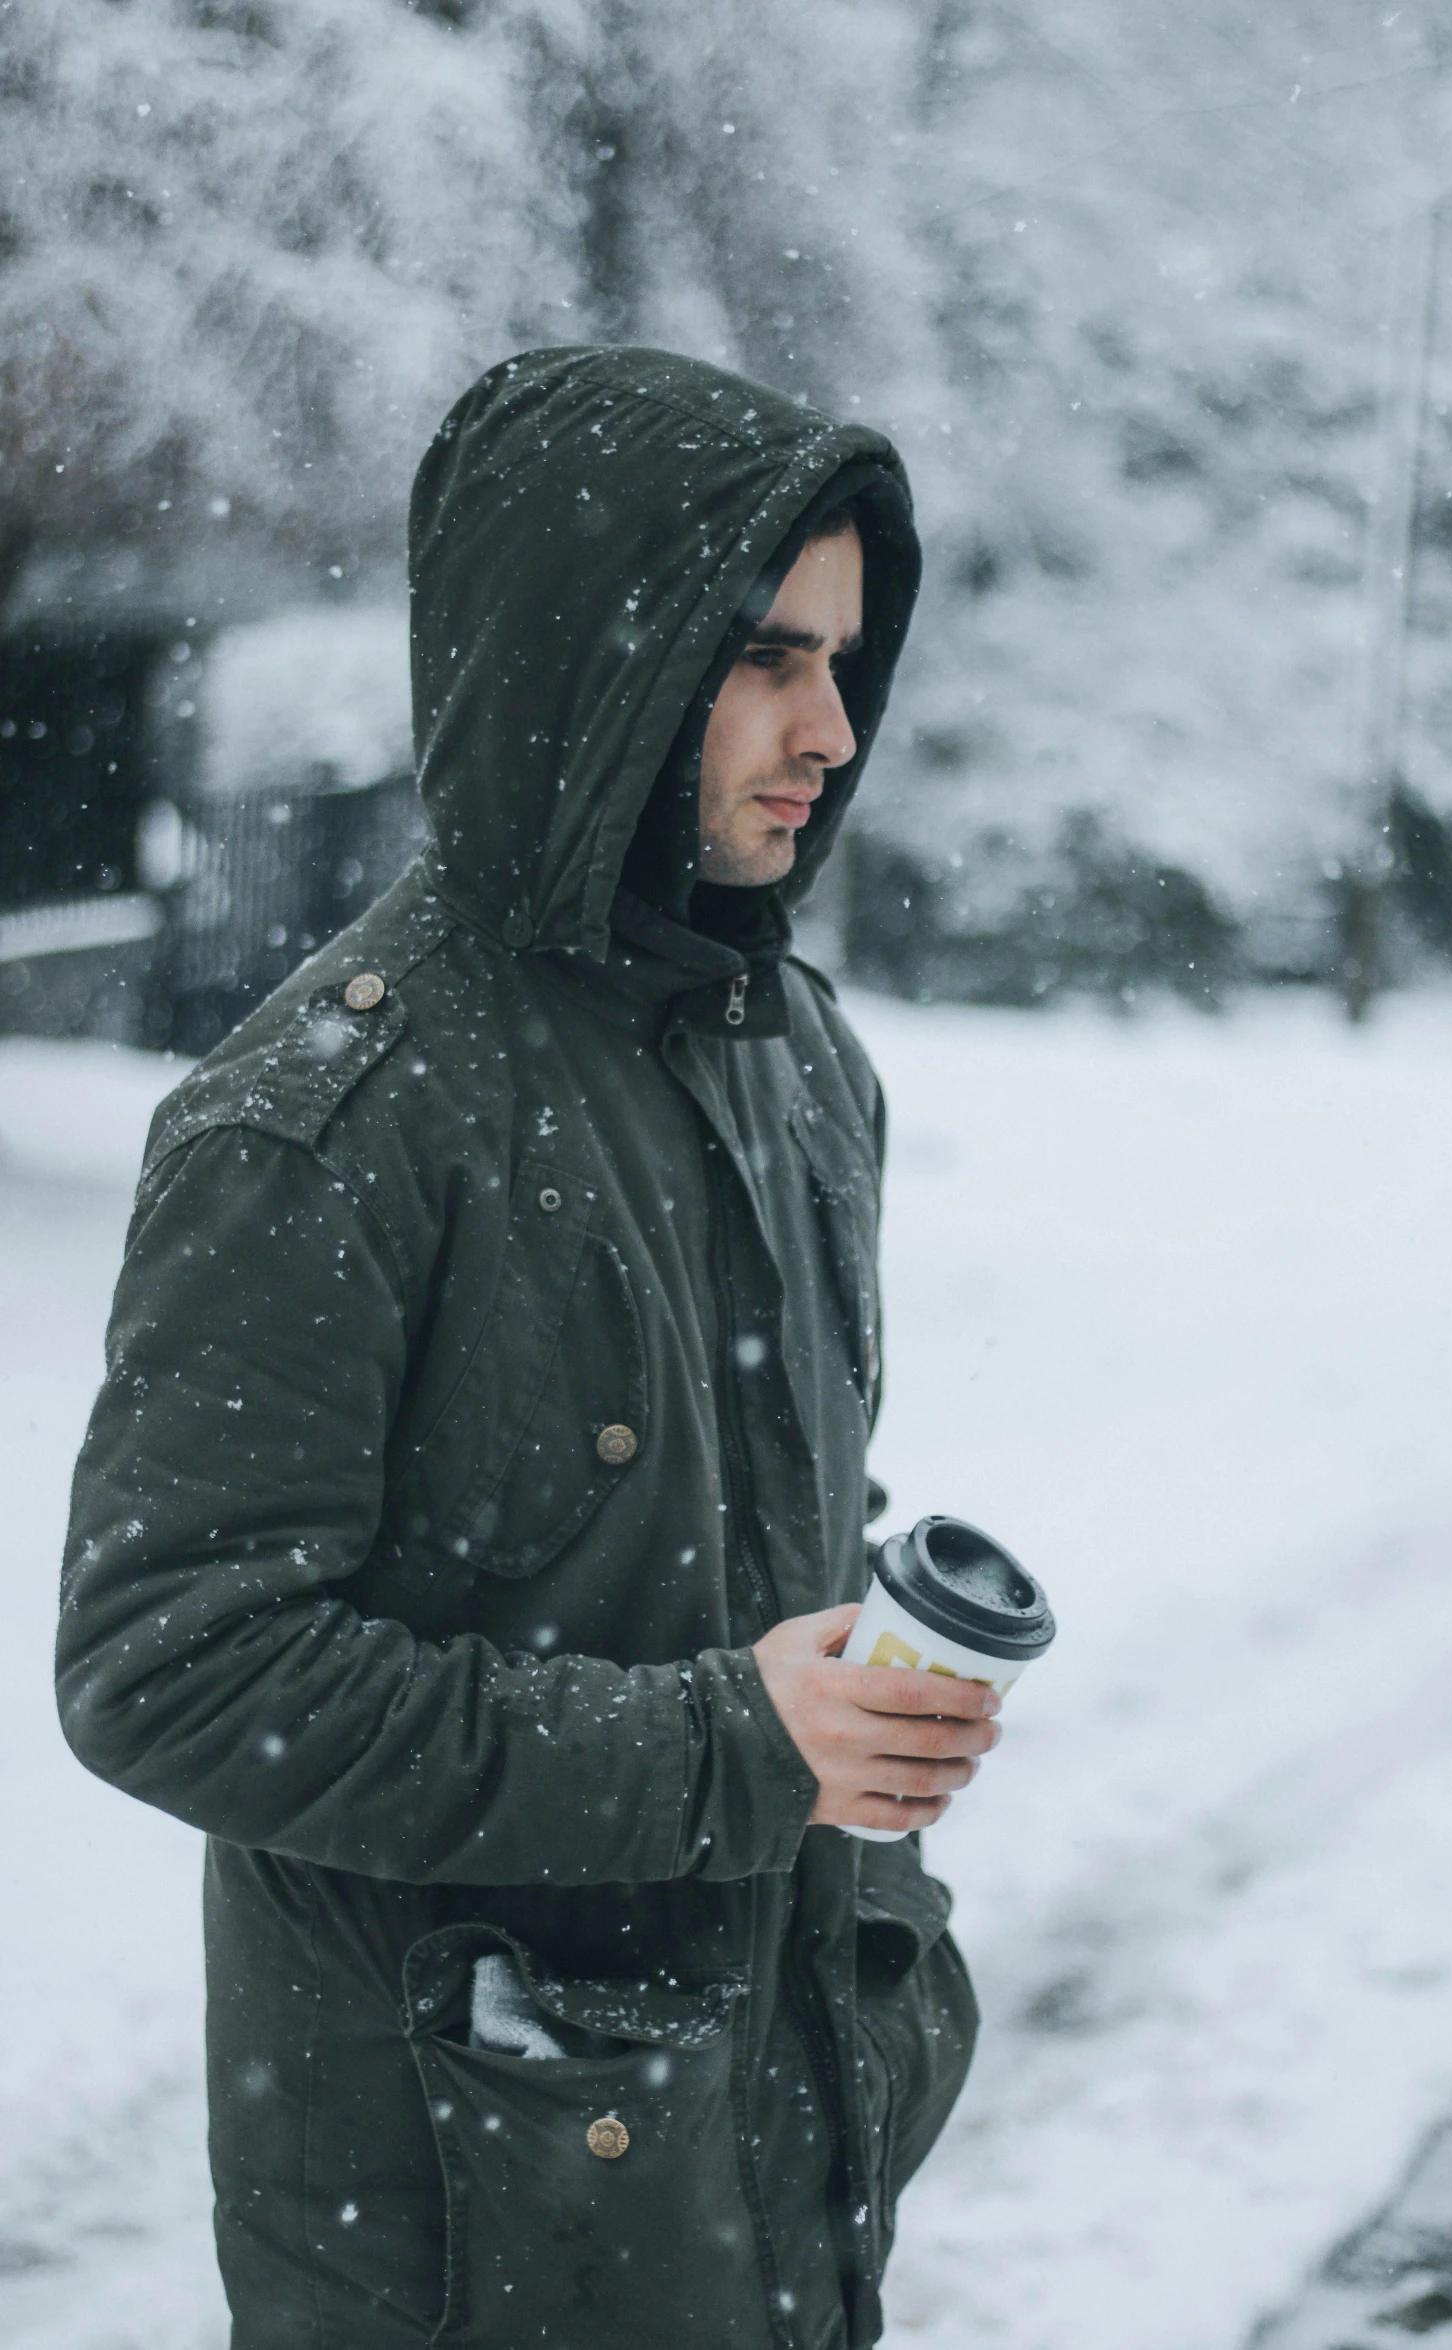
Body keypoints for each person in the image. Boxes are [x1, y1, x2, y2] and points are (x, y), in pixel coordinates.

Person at [57, 346, 996, 2350]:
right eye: (764, 656)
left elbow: (760, 1512)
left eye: (846, 657)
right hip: (455, 2226)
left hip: (762, 2160)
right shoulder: (321, 1120)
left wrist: (869, 1670)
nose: (834, 724)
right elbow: (171, 1670)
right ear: (601, 659)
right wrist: (730, 1746)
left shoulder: (797, 1062)